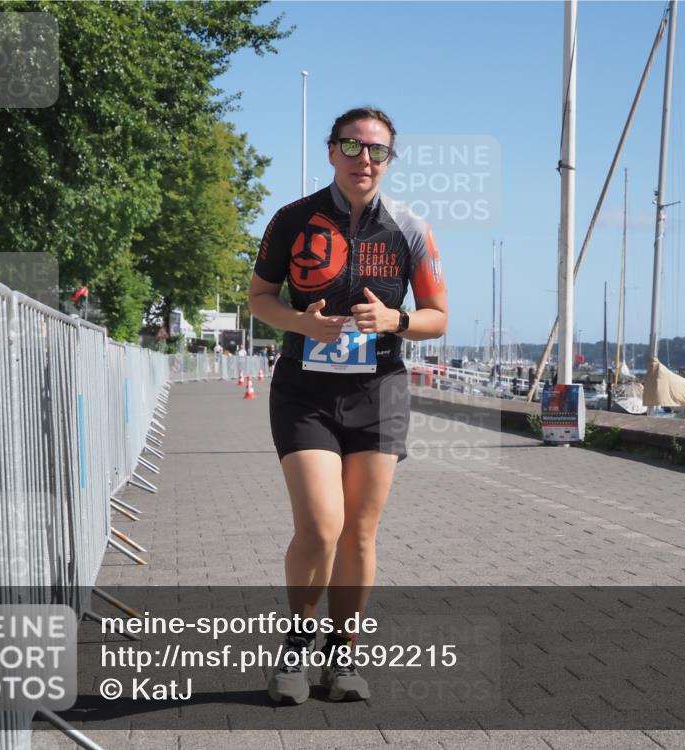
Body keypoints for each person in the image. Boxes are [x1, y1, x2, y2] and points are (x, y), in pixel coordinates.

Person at [248, 107, 448, 704]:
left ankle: (344, 658)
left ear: (390, 160)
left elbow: (437, 319)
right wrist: (300, 323)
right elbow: (260, 297)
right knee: (320, 525)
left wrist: (397, 319)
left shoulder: (411, 228)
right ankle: (297, 648)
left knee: (360, 532)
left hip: (378, 392)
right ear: (332, 151)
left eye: (378, 151)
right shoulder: (291, 219)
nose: (365, 160)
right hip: (304, 392)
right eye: (353, 147)